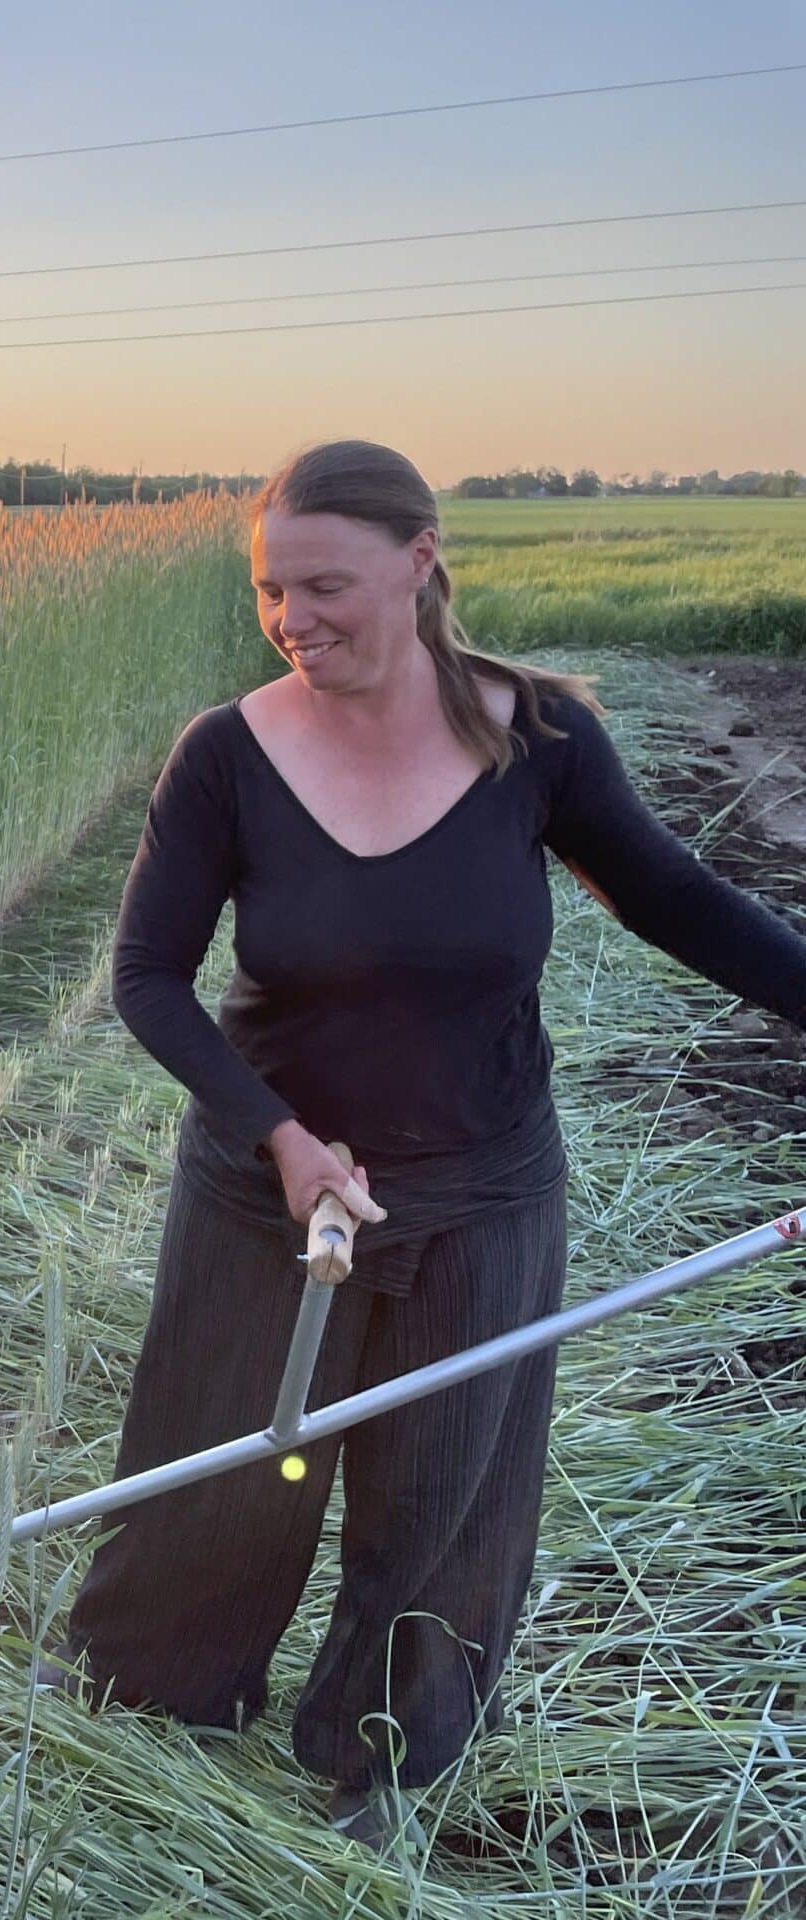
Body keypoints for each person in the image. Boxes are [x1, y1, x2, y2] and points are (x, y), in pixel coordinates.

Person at [47, 438, 806, 1847]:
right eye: (273, 590)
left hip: (485, 1186)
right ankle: (151, 1705)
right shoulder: (227, 753)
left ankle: (380, 1763)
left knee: (441, 1495)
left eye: (326, 584)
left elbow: (680, 902)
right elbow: (148, 977)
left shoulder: (542, 743)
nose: (293, 619)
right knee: (221, 1471)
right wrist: (278, 1136)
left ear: (420, 561)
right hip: (269, 1190)